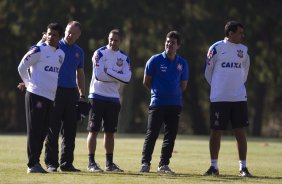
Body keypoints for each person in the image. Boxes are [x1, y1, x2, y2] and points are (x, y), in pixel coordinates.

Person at [203, 21, 251, 177]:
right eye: (239, 33)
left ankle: (243, 168)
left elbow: (245, 73)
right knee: (216, 131)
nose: (242, 36)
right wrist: (218, 87)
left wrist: (235, 87)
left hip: (238, 98)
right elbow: (208, 72)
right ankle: (213, 167)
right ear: (230, 33)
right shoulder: (216, 48)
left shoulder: (243, 50)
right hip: (219, 98)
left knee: (240, 132)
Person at [17, 22, 65, 173]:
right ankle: (32, 164)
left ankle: (36, 162)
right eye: (49, 34)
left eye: (54, 35)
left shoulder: (61, 54)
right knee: (35, 130)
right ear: (46, 34)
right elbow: (22, 67)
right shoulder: (38, 49)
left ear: (60, 37)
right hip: (35, 95)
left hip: (50, 98)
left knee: (44, 131)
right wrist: (28, 83)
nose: (51, 37)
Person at [140, 31, 189, 174]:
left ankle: (163, 165)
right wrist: (159, 92)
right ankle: (145, 163)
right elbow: (146, 81)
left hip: (175, 104)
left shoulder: (182, 63)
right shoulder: (154, 60)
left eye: (173, 42)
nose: (169, 44)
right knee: (152, 134)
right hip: (157, 103)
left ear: (178, 46)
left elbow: (183, 85)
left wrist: (173, 94)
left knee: (170, 135)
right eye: (168, 41)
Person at [86, 29, 131, 172]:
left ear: (120, 41)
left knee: (110, 132)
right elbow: (99, 75)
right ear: (108, 39)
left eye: (116, 40)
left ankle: (109, 164)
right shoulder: (99, 53)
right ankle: (91, 162)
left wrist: (109, 71)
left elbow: (127, 79)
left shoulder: (124, 58)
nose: (113, 42)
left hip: (113, 98)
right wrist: (118, 75)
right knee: (93, 130)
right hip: (97, 96)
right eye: (111, 39)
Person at [44, 21, 86, 172]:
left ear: (78, 35)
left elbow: (80, 73)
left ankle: (66, 163)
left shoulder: (79, 52)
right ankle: (51, 163)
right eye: (68, 31)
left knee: (70, 131)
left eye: (74, 33)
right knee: (52, 129)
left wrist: (82, 94)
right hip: (54, 91)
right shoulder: (55, 45)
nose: (70, 35)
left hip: (71, 93)